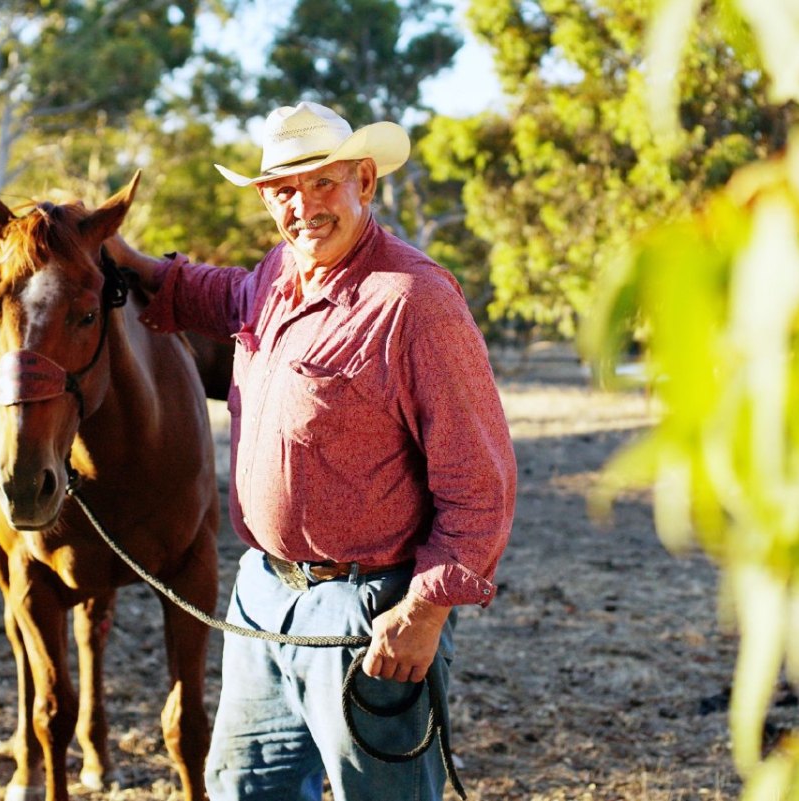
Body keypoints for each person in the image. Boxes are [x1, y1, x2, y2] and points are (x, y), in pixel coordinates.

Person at [106, 100, 517, 801]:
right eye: (283, 190)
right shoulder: (276, 275)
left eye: (322, 183)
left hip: (368, 610)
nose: (303, 206)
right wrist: (133, 263)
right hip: (264, 596)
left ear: (365, 178)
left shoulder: (414, 300)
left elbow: (481, 481)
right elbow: (228, 295)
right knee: (244, 787)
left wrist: (423, 613)